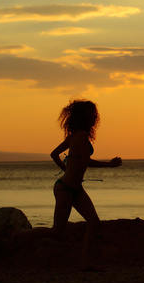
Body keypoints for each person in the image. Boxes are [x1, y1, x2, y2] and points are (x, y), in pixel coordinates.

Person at [11, 99, 122, 271]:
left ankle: (85, 262)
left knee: (93, 222)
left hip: (75, 188)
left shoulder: (73, 136)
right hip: (65, 188)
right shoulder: (81, 136)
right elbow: (85, 161)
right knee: (56, 231)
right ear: (85, 117)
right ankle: (18, 235)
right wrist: (110, 165)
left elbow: (54, 154)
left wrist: (66, 168)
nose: (95, 118)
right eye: (93, 115)